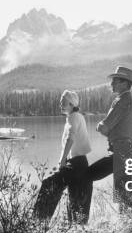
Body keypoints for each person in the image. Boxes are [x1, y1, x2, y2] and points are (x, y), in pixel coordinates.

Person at [33, 90, 93, 223]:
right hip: (79, 164)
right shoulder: (76, 117)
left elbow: (70, 139)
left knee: (50, 185)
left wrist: (62, 160)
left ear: (71, 104)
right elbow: (70, 141)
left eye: (63, 102)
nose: (60, 104)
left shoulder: (74, 117)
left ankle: (38, 222)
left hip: (77, 165)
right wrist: (64, 159)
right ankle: (42, 222)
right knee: (74, 200)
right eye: (60, 101)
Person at [86, 66, 132, 211]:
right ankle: (131, 224)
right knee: (124, 193)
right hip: (127, 150)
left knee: (87, 176)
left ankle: (79, 219)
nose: (111, 84)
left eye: (114, 81)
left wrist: (100, 127)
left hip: (120, 151)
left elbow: (104, 126)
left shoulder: (121, 101)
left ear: (124, 83)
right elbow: (128, 131)